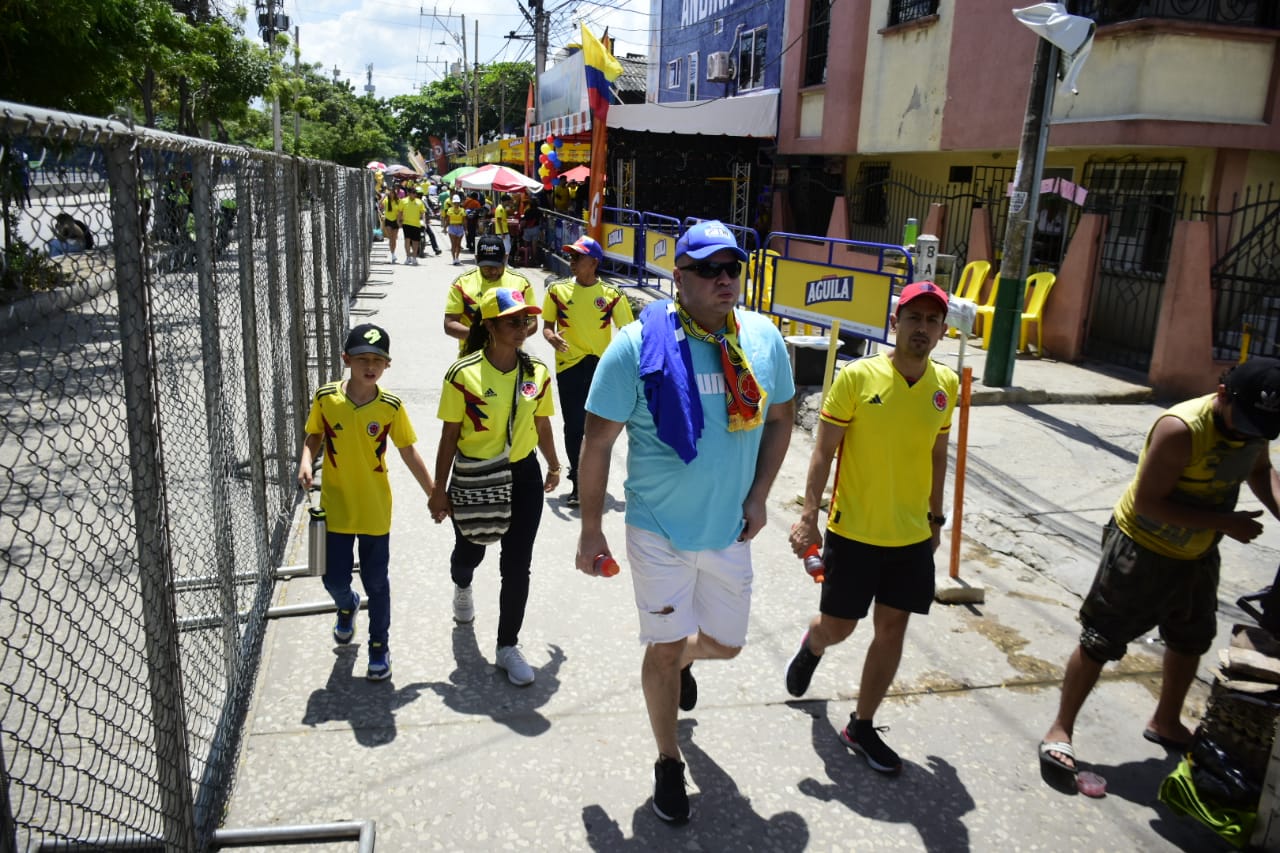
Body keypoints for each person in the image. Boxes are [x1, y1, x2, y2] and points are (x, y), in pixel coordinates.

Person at [575, 220, 795, 823]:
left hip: (730, 530)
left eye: (733, 268)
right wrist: (591, 529)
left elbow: (781, 418)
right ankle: (668, 760)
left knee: (726, 644)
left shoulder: (763, 340)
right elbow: (596, 441)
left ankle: (687, 662)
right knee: (664, 650)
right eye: (708, 269)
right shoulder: (636, 346)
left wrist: (760, 495)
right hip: (657, 531)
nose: (725, 279)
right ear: (680, 277)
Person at [1039, 358, 1280, 782]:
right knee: (1101, 640)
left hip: (1198, 552)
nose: (1248, 432)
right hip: (1142, 549)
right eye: (1244, 421)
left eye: (1259, 427)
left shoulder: (1254, 428)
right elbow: (1151, 502)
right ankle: (1060, 728)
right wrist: (1227, 523)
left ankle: (1165, 721)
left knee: (1191, 639)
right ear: (1223, 395)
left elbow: (1260, 471)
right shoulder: (1181, 429)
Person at [784, 281, 958, 777]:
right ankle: (813, 645)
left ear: (942, 330)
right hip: (854, 531)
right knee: (840, 627)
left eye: (931, 321)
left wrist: (936, 519)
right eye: (913, 318)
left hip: (910, 537)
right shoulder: (857, 378)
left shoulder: (944, 387)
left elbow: (938, 455)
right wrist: (808, 514)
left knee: (893, 629)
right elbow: (823, 450)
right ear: (895, 323)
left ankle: (861, 725)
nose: (921, 328)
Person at [429, 287, 562, 686]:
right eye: (512, 321)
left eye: (526, 321)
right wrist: (439, 489)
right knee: (470, 551)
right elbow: (449, 436)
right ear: (488, 325)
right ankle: (462, 585)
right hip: (475, 475)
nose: (522, 328)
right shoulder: (462, 374)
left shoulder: (537, 372)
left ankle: (507, 645)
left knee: (517, 564)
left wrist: (554, 464)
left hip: (523, 475)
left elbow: (542, 424)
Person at [296, 323, 435, 681]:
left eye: (377, 360)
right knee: (334, 580)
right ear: (346, 360)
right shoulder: (326, 397)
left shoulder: (390, 406)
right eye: (362, 359)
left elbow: (408, 451)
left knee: (377, 581)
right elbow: (314, 434)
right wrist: (305, 460)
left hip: (375, 510)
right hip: (337, 507)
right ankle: (347, 606)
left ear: (387, 365)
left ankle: (379, 646)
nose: (369, 366)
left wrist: (434, 493)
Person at [541, 235, 634, 506]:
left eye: (577, 257)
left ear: (594, 262)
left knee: (597, 429)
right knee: (573, 427)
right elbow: (547, 325)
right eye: (570, 256)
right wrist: (551, 337)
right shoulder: (556, 291)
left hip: (601, 369)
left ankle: (591, 479)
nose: (571, 261)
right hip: (569, 366)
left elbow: (629, 334)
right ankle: (578, 482)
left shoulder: (612, 295)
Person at [444, 235, 537, 353]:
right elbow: (450, 323)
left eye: (497, 266)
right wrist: (478, 337)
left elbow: (533, 322)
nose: (493, 271)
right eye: (487, 267)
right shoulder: (461, 284)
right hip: (472, 358)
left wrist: (509, 338)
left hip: (509, 358)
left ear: (505, 257)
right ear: (477, 259)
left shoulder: (522, 283)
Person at [398, 186, 428, 266]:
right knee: (407, 240)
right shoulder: (403, 201)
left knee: (416, 241)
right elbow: (400, 212)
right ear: (408, 193)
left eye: (415, 193)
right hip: (406, 223)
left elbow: (423, 212)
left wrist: (424, 222)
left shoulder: (419, 202)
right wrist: (399, 221)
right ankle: (408, 257)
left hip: (416, 224)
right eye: (413, 193)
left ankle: (414, 258)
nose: (414, 194)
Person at [443, 194, 467, 265]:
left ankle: (457, 258)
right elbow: (447, 220)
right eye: (455, 202)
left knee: (458, 244)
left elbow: (464, 220)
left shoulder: (462, 210)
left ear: (459, 203)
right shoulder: (450, 210)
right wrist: (445, 228)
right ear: (453, 203)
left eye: (457, 202)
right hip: (452, 228)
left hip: (460, 228)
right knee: (453, 244)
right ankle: (453, 259)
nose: (456, 204)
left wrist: (466, 230)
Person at [381, 189, 402, 263]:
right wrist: (384, 196)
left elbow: (400, 211)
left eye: (393, 193)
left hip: (395, 221)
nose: (391, 195)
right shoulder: (386, 200)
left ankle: (393, 252)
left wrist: (399, 221)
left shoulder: (398, 201)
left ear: (395, 194)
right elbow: (380, 204)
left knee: (394, 238)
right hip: (388, 220)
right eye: (390, 193)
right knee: (391, 238)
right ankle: (392, 254)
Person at [520, 202, 543, 267]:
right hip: (536, 229)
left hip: (527, 229)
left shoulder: (527, 211)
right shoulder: (539, 212)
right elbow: (541, 220)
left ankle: (525, 258)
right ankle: (533, 260)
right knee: (534, 246)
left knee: (526, 245)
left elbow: (524, 220)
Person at [493, 193, 512, 259]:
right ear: (505, 201)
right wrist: (502, 233)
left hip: (504, 231)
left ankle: (505, 263)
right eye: (509, 202)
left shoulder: (503, 208)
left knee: (506, 248)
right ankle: (505, 263)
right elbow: (498, 221)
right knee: (507, 248)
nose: (509, 203)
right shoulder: (500, 209)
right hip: (502, 232)